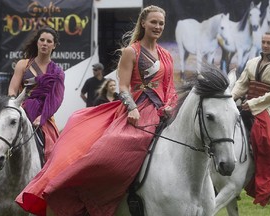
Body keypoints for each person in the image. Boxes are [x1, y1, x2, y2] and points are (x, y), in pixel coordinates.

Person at [15, 5, 177, 216]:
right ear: (143, 23)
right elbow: (124, 86)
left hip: (162, 112)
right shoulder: (132, 51)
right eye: (153, 22)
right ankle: (86, 198)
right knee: (107, 154)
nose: (157, 26)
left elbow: (170, 87)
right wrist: (132, 108)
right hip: (135, 111)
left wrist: (171, 105)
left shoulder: (167, 55)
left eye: (161, 23)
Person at [8, 26, 65, 163]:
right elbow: (12, 90)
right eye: (42, 40)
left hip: (43, 116)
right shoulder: (23, 64)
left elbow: (56, 99)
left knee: (53, 152)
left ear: (54, 46)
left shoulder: (58, 72)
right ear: (37, 42)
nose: (45, 43)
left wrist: (42, 117)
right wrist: (13, 107)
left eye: (49, 41)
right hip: (21, 110)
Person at [231, 31, 270, 206]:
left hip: (266, 108)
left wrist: (254, 103)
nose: (265, 45)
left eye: (269, 43)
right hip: (246, 105)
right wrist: (230, 99)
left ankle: (268, 187)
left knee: (265, 140)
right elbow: (241, 85)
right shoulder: (252, 62)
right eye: (263, 42)